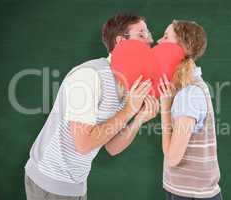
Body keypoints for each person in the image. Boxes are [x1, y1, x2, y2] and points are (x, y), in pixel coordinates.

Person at [24, 13, 159, 200]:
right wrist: (128, 109)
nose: (151, 40)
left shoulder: (130, 86)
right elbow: (84, 144)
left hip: (77, 185)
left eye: (149, 34)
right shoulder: (88, 76)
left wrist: (138, 118)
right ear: (121, 42)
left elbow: (112, 147)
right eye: (142, 34)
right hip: (49, 182)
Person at [158, 20, 222, 200]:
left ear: (180, 48)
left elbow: (172, 159)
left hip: (191, 196)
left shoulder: (189, 94)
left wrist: (165, 108)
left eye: (166, 37)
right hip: (185, 192)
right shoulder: (185, 88)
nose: (158, 41)